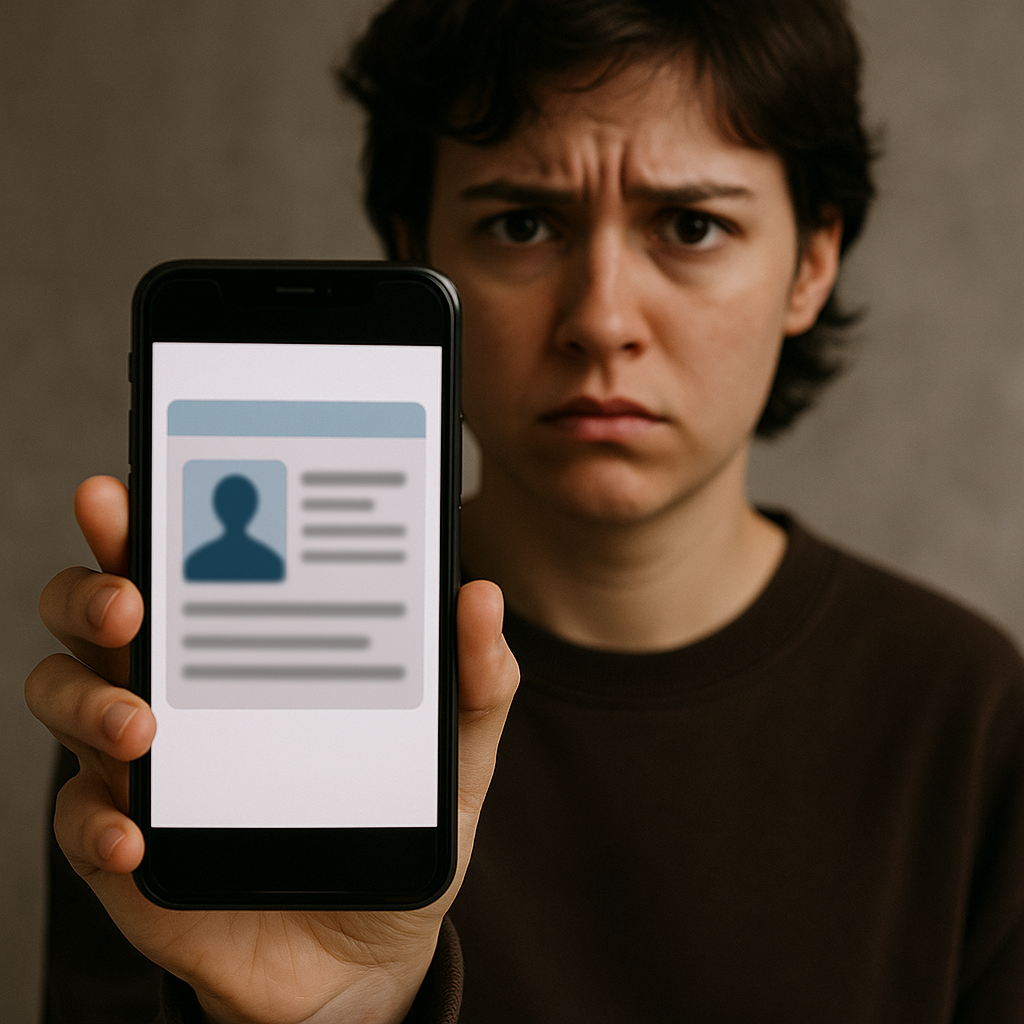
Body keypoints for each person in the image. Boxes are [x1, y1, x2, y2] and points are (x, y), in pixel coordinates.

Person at [25, 0, 1024, 1021]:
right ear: (416, 249)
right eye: (522, 224)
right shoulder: (191, 712)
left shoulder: (970, 713)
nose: (600, 318)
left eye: (691, 226)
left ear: (811, 262)